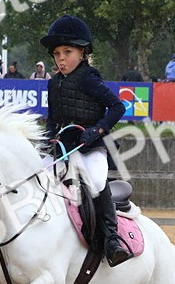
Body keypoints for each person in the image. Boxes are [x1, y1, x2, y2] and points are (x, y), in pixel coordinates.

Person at [40, 14, 132, 266]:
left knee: (97, 181)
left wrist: (98, 129)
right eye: (57, 54)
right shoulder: (53, 83)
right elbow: (52, 119)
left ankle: (112, 240)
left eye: (67, 52)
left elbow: (117, 106)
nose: (61, 59)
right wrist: (47, 138)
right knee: (37, 177)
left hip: (90, 146)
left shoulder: (89, 78)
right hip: (62, 148)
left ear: (82, 53)